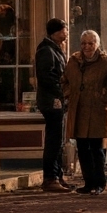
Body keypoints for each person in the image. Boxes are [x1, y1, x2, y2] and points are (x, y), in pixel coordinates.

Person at [62, 30, 107, 195]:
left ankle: (99, 183)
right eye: (84, 43)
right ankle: (88, 183)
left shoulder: (105, 61)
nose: (87, 47)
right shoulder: (73, 61)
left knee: (97, 148)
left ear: (97, 44)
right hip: (79, 110)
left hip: (97, 111)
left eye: (91, 43)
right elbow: (64, 81)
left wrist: (105, 97)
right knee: (82, 148)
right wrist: (69, 94)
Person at [36, 18, 71, 192]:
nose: (67, 33)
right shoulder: (47, 51)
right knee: (54, 140)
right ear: (56, 32)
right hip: (52, 102)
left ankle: (57, 175)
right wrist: (61, 92)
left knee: (58, 141)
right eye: (65, 30)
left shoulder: (54, 49)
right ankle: (50, 177)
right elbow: (47, 77)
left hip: (57, 101)